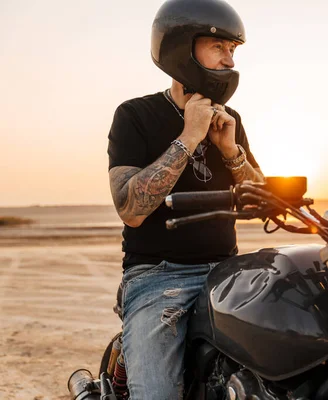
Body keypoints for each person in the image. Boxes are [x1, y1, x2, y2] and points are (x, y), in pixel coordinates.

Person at [106, 0, 264, 398]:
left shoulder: (231, 120)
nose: (230, 59)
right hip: (159, 275)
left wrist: (231, 151)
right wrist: (188, 137)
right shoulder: (135, 116)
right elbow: (131, 209)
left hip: (228, 272)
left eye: (234, 50)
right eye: (219, 46)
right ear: (181, 48)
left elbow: (260, 198)